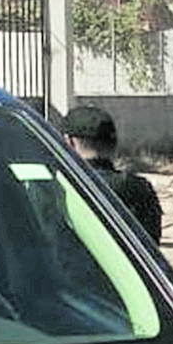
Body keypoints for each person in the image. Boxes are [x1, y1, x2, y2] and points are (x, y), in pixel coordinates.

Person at [59, 103, 163, 245]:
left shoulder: (56, 188)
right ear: (113, 143)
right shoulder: (139, 189)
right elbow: (151, 246)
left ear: (69, 142)